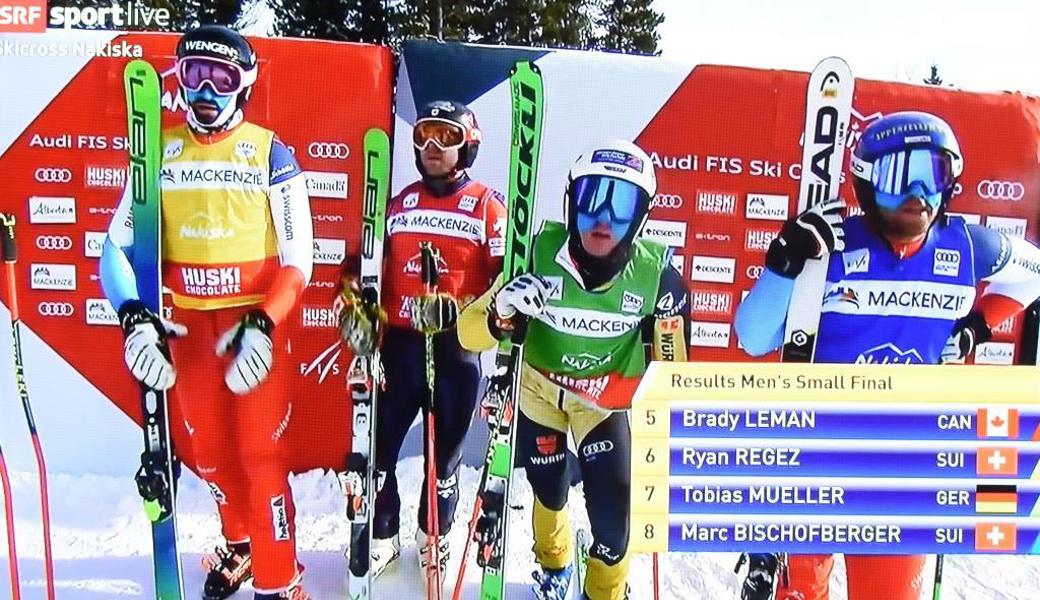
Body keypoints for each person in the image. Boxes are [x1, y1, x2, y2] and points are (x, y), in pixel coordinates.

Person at [734, 111, 1040, 600]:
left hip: (902, 462)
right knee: (804, 591)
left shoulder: (968, 247)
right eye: (899, 177)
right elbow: (753, 337)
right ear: (866, 182)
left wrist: (974, 328)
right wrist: (783, 265)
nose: (919, 195)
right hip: (817, 453)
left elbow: (1033, 274)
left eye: (935, 175)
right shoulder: (829, 246)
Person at [100, 25, 314, 600]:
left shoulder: (271, 151)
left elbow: (300, 261)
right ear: (180, 80)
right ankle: (242, 546)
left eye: (222, 79)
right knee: (212, 455)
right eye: (196, 75)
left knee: (260, 455)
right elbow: (114, 247)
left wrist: (266, 323)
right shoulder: (158, 151)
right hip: (190, 327)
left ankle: (279, 576)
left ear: (243, 85)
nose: (207, 91)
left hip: (249, 328)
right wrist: (132, 316)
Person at [457, 140, 691, 600]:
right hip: (539, 394)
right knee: (549, 489)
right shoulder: (535, 254)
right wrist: (500, 311)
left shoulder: (657, 277)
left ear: (642, 217)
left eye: (621, 204)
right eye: (590, 199)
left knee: (614, 513)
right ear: (571, 202)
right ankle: (556, 563)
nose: (603, 218)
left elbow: (675, 373)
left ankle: (604, 591)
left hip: (602, 404)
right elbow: (468, 335)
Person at [337, 100, 506, 585]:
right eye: (424, 136)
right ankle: (383, 534)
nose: (432, 147)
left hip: (455, 353)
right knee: (380, 450)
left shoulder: (487, 207)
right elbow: (360, 267)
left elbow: (505, 285)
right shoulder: (398, 205)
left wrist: (466, 308)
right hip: (402, 350)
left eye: (446, 137)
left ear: (468, 145)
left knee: (444, 461)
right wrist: (354, 305)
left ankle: (434, 537)